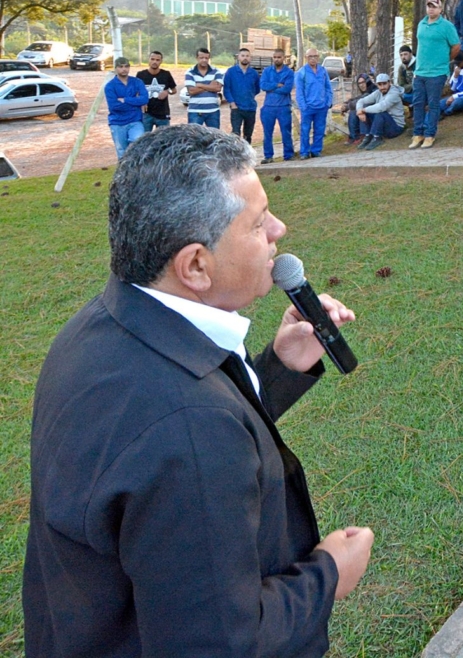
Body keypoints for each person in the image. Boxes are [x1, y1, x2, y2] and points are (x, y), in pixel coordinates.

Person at [23, 125, 374, 657]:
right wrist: (328, 576)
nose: (279, 229)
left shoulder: (102, 326)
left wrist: (276, 368)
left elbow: (172, 442)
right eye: (258, 225)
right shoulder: (188, 427)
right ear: (194, 266)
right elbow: (217, 643)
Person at [411, 0, 462, 148]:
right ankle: (417, 134)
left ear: (440, 9)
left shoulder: (446, 26)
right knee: (418, 103)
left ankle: (429, 134)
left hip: (437, 73)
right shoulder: (422, 24)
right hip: (420, 72)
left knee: (433, 105)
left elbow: (456, 46)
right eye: (429, 6)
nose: (431, 8)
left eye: (434, 6)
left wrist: (445, 60)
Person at [105, 56, 149, 159]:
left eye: (126, 66)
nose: (124, 69)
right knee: (122, 153)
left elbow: (144, 99)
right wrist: (135, 102)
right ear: (115, 68)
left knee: (138, 144)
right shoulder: (110, 86)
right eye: (120, 67)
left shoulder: (137, 82)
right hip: (117, 123)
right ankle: (123, 175)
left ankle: (137, 173)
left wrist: (125, 100)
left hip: (135, 121)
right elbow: (114, 106)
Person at [295, 48, 334, 159]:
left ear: (318, 57)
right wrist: (303, 107)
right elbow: (299, 91)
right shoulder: (302, 72)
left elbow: (328, 87)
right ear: (306, 58)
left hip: (322, 107)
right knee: (305, 130)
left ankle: (316, 150)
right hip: (307, 107)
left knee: (320, 129)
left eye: (315, 56)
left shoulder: (323, 71)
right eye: (310, 56)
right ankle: (304, 152)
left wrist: (328, 102)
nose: (313, 59)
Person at [259, 49, 295, 163]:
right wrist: (277, 85)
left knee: (286, 132)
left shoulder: (289, 72)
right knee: (267, 133)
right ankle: (268, 156)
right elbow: (263, 85)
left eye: (279, 57)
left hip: (284, 106)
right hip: (268, 106)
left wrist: (272, 89)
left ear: (284, 58)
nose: (276, 59)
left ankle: (288, 155)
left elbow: (287, 88)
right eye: (274, 57)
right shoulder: (267, 71)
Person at [355, 73, 407, 150]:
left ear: (389, 82)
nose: (382, 87)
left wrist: (363, 110)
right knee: (366, 108)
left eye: (384, 84)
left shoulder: (394, 93)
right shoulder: (378, 92)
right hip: (385, 124)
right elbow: (361, 101)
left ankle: (377, 138)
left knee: (380, 113)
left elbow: (382, 107)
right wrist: (360, 111)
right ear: (377, 85)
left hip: (396, 127)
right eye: (380, 84)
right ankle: (368, 135)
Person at [224, 47, 261, 144]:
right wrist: (232, 103)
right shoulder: (231, 72)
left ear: (250, 58)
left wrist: (249, 97)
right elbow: (227, 89)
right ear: (238, 57)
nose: (245, 58)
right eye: (243, 56)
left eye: (247, 56)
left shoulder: (254, 73)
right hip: (237, 108)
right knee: (235, 134)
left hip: (250, 108)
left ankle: (247, 156)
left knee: (248, 135)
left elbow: (257, 89)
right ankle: (235, 156)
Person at [136, 51, 176, 133]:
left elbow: (174, 90)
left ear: (161, 61)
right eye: (152, 59)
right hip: (146, 114)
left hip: (162, 113)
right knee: (144, 139)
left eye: (157, 60)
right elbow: (136, 92)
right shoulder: (141, 75)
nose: (155, 62)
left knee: (164, 140)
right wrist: (141, 101)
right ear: (149, 60)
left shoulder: (166, 74)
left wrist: (167, 91)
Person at [184, 47, 223, 129]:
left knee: (214, 138)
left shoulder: (216, 71)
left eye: (206, 58)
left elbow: (218, 88)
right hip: (195, 111)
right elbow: (191, 91)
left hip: (213, 111)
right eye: (201, 58)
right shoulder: (190, 72)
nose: (204, 60)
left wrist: (200, 85)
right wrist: (210, 86)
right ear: (197, 58)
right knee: (193, 138)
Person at [338, 73, 377, 145]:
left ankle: (361, 135)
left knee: (357, 109)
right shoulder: (368, 90)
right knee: (354, 110)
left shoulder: (374, 90)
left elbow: (362, 100)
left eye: (363, 82)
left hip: (377, 117)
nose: (361, 85)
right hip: (370, 116)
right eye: (359, 83)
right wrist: (346, 103)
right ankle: (354, 137)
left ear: (367, 81)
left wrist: (347, 106)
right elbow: (358, 98)